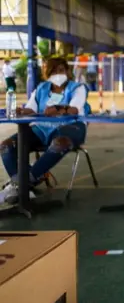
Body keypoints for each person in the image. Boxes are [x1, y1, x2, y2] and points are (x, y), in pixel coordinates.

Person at [0, 57, 90, 205]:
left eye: (61, 70)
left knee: (60, 143)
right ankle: (25, 187)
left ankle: (17, 186)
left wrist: (59, 109)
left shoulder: (78, 88)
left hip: (71, 127)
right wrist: (21, 111)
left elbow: (74, 108)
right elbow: (31, 109)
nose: (58, 74)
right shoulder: (41, 88)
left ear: (68, 71)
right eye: (53, 71)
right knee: (6, 146)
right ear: (47, 74)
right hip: (41, 128)